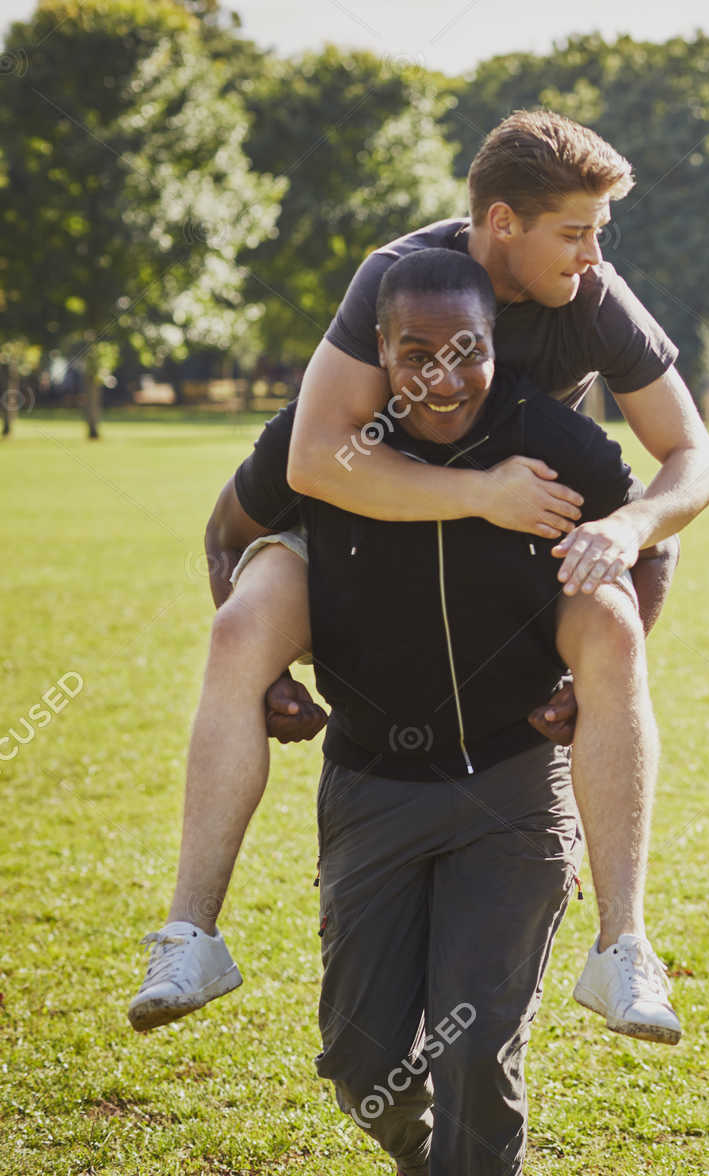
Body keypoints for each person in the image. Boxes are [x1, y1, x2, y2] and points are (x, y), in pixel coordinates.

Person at [129, 110, 709, 1045]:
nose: (593, 255)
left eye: (598, 232)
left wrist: (628, 525)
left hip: (518, 538)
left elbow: (693, 458)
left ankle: (623, 950)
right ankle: (190, 933)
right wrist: (482, 491)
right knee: (239, 630)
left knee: (610, 621)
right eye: (573, 232)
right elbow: (316, 463)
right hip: (371, 530)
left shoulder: (595, 297)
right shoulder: (391, 278)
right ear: (500, 224)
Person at [220, 247, 657, 1174]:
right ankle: (430, 1155)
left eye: (466, 350)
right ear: (378, 349)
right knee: (359, 1060)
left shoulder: (554, 438)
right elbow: (229, 533)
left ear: (496, 343)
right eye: (414, 352)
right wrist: (259, 672)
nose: (442, 376)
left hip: (514, 786)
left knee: (476, 1051)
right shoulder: (319, 443)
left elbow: (646, 540)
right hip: (371, 783)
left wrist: (606, 663)